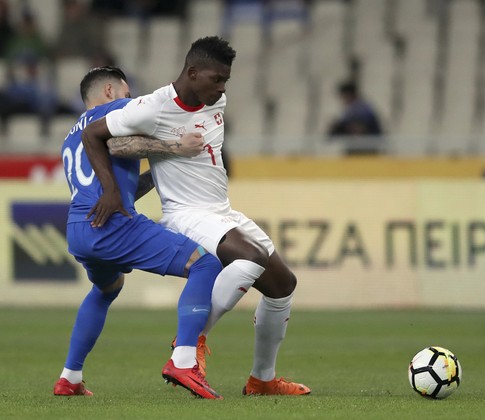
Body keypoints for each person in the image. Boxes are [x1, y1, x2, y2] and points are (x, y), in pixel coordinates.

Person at [82, 36, 311, 396]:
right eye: (216, 79)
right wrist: (114, 187)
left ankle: (261, 380)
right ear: (192, 72)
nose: (222, 88)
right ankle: (190, 343)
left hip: (220, 210)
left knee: (283, 285)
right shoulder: (152, 107)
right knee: (249, 260)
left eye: (226, 80)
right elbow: (98, 136)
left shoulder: (214, 99)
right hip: (185, 213)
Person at [53, 66, 223, 399]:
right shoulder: (115, 111)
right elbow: (123, 148)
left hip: (79, 227)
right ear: (109, 92)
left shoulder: (70, 136)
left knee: (107, 288)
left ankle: (69, 376)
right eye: (127, 94)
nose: (130, 101)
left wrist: (158, 179)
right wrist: (177, 146)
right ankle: (184, 361)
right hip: (112, 225)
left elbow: (116, 181)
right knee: (204, 264)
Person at [328, 80, 384, 155]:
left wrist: (343, 128)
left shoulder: (363, 108)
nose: (342, 100)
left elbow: (359, 130)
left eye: (343, 96)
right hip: (356, 150)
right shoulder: (349, 110)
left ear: (349, 95)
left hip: (366, 152)